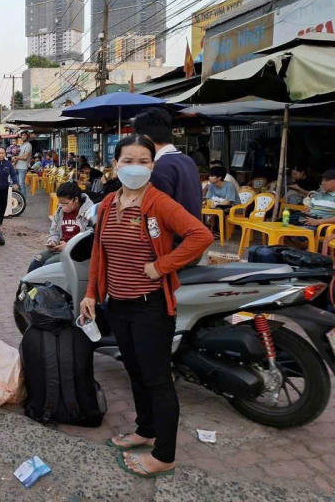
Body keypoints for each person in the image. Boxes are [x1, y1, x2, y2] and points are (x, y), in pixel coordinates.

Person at [79, 135, 213, 479]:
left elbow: (200, 236)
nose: (134, 167)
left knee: (157, 380)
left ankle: (164, 455)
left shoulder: (159, 202)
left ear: (152, 166)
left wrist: (162, 265)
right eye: (127, 161)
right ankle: (145, 429)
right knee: (135, 372)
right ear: (116, 165)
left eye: (142, 161)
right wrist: (92, 293)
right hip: (118, 306)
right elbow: (99, 253)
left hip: (150, 307)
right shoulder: (109, 203)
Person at [133, 107, 202, 221]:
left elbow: (156, 212)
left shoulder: (160, 167)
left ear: (145, 138)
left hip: (172, 235)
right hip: (191, 230)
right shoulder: (187, 160)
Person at [28, 181, 93, 272]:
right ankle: (28, 286)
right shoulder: (60, 212)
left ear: (76, 199)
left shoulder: (90, 213)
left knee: (49, 265)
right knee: (37, 260)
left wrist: (68, 246)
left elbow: (90, 241)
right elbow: (54, 232)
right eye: (60, 203)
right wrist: (53, 241)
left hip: (77, 253)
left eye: (65, 203)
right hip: (60, 249)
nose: (62, 206)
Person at [12, 131, 32, 199]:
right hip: (17, 167)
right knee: (17, 185)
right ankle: (20, 200)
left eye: (25, 135)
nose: (23, 136)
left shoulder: (28, 145)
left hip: (23, 167)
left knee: (21, 184)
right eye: (22, 135)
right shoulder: (21, 145)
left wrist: (15, 157)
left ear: (27, 136)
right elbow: (19, 156)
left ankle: (23, 200)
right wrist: (14, 163)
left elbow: (25, 157)